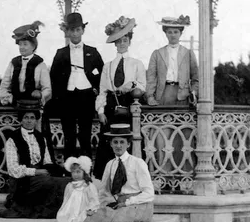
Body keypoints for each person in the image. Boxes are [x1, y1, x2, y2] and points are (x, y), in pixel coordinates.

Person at [69, 124, 176, 222]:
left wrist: (129, 202)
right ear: (111, 144)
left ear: (128, 144)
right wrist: (97, 206)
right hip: (119, 203)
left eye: (122, 142)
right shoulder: (110, 165)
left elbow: (149, 193)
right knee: (95, 218)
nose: (118, 146)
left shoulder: (138, 163)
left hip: (140, 203)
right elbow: (104, 191)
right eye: (115, 142)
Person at [0, 99, 68, 219]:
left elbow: (47, 162)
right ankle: (20, 206)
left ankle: (48, 211)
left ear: (36, 120)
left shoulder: (41, 138)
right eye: (26, 117)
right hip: (21, 180)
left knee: (66, 181)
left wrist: (62, 169)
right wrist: (35, 172)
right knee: (47, 181)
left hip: (41, 176)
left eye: (32, 117)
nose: (29, 120)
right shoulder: (13, 139)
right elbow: (13, 169)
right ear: (21, 119)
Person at [93, 16, 146, 179]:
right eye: (119, 41)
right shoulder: (108, 66)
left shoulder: (136, 63)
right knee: (108, 140)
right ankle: (106, 179)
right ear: (115, 43)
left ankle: (131, 177)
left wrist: (130, 85)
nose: (122, 44)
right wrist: (100, 110)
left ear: (129, 41)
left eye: (125, 40)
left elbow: (142, 86)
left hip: (129, 104)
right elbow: (102, 90)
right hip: (110, 105)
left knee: (128, 138)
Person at [50, 12, 104, 159]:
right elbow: (53, 77)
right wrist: (58, 97)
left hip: (86, 95)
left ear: (83, 30)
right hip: (67, 96)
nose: (75, 33)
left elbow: (102, 73)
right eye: (72, 30)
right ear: (67, 31)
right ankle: (70, 168)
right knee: (69, 133)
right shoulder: (61, 53)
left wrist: (96, 89)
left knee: (85, 132)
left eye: (78, 30)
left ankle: (86, 167)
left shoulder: (92, 52)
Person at [146, 15, 199, 107]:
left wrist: (193, 93)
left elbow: (196, 77)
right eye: (169, 32)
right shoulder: (157, 53)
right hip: (163, 93)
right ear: (165, 34)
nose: (173, 35)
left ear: (180, 33)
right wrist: (150, 96)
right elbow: (151, 78)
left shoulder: (188, 53)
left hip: (183, 95)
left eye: (176, 32)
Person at [0, 20, 51, 108]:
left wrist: (40, 95)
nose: (22, 47)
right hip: (15, 107)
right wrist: (9, 98)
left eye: (25, 44)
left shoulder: (41, 65)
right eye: (20, 44)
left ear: (33, 46)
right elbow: (4, 86)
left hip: (34, 107)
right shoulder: (13, 63)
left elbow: (47, 89)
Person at [55, 155, 99, 222]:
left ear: (84, 172)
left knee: (81, 219)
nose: (75, 174)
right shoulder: (70, 185)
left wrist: (91, 208)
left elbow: (93, 199)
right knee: (66, 217)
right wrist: (64, 208)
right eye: (73, 172)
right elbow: (66, 198)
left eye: (78, 172)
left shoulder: (88, 185)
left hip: (83, 207)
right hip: (71, 208)